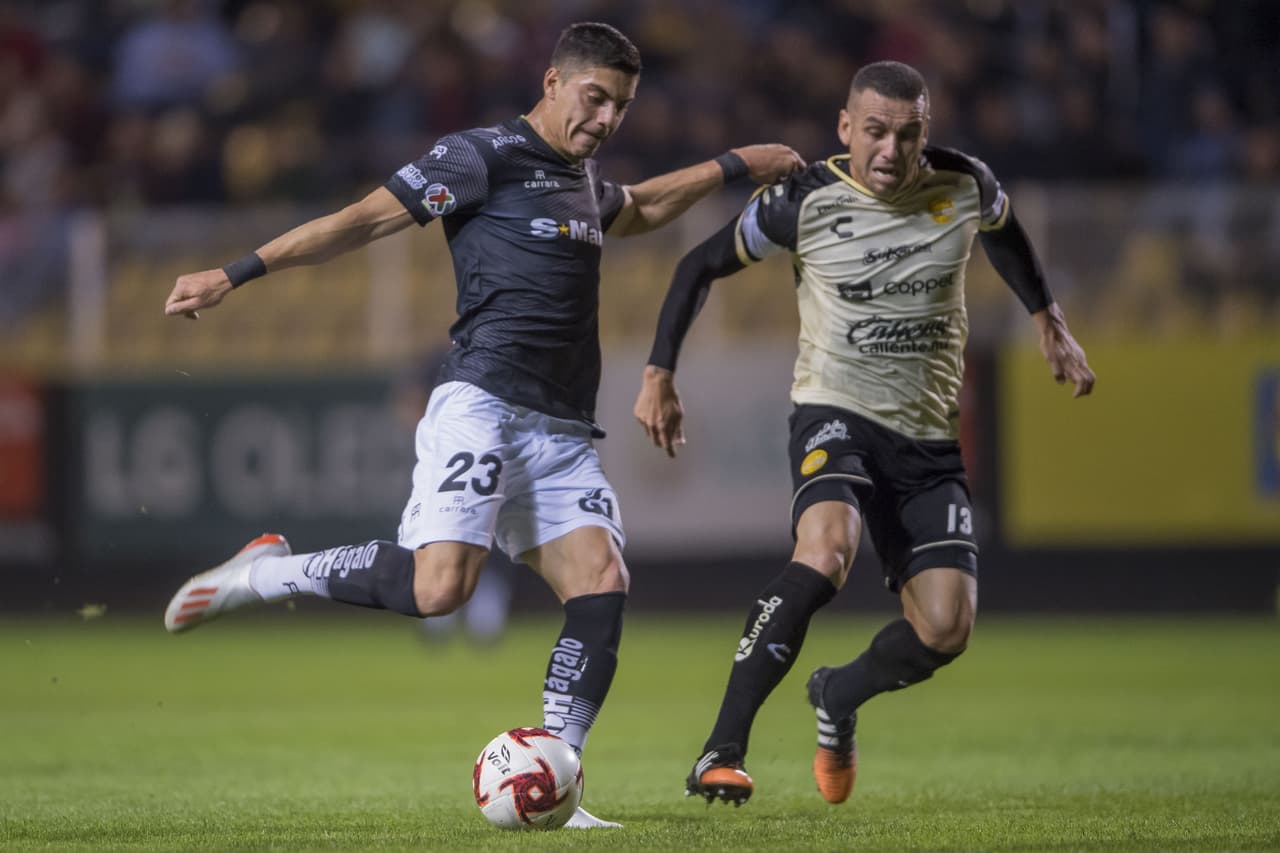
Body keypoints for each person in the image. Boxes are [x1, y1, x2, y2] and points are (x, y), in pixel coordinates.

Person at [161, 21, 804, 829]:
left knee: (601, 584)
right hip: (482, 401)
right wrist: (233, 271)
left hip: (563, 429)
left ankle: (560, 785)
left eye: (621, 106)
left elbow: (635, 209)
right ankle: (263, 572)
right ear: (552, 83)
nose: (606, 119)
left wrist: (736, 165)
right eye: (594, 98)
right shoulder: (481, 157)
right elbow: (362, 220)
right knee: (440, 590)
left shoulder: (583, 180)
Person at [633, 60, 1095, 807]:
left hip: (927, 440)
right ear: (845, 128)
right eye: (874, 131)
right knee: (825, 552)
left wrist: (1050, 320)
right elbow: (697, 264)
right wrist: (659, 372)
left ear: (925, 134)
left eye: (907, 135)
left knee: (945, 628)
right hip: (833, 410)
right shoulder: (802, 201)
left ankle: (837, 695)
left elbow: (1004, 234)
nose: (889, 149)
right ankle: (721, 749)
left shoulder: (964, 184)